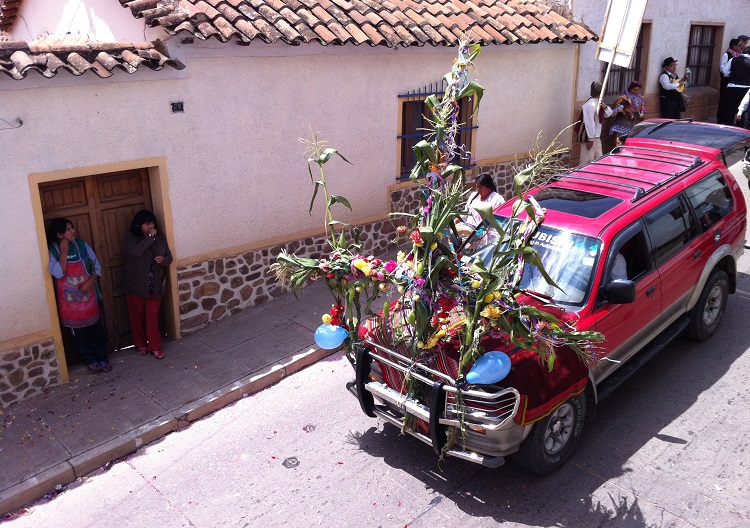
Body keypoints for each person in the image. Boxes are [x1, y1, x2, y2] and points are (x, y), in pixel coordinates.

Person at [47, 218, 111, 373]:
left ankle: (102, 358)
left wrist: (90, 282)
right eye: (68, 230)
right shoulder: (52, 251)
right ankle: (90, 360)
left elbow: (97, 267)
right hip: (70, 306)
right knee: (80, 336)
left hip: (89, 299)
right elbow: (58, 273)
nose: (73, 231)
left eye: (72, 228)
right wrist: (64, 251)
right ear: (59, 235)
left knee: (97, 332)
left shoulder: (82, 245)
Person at [124, 210, 173, 359]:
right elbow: (136, 252)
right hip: (136, 285)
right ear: (139, 225)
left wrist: (163, 260)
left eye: (151, 223)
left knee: (152, 316)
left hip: (155, 285)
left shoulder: (161, 237)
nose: (150, 226)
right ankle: (140, 345)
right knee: (136, 317)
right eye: (146, 224)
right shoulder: (131, 238)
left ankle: (155, 347)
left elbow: (169, 257)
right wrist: (150, 237)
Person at [456, 173, 504, 249]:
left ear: (489, 187)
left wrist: (480, 232)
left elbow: (499, 222)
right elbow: (466, 214)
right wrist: (455, 221)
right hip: (468, 237)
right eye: (477, 187)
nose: (478, 190)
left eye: (481, 187)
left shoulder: (497, 200)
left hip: (485, 240)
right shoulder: (473, 196)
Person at [580, 81, 615, 164]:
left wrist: (604, 106)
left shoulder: (599, 103)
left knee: (599, 162)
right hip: (590, 138)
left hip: (597, 138)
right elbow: (589, 123)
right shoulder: (590, 105)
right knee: (586, 163)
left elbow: (609, 113)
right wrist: (590, 140)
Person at [717, 39, 743, 124]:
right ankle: (721, 119)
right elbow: (723, 69)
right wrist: (732, 74)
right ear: (734, 46)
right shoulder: (727, 55)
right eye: (739, 45)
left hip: (735, 82)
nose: (741, 47)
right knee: (724, 100)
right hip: (727, 81)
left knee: (731, 102)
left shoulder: (740, 56)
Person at [726, 46, 750, 126]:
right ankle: (739, 126)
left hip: (732, 86)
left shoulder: (733, 59)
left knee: (730, 108)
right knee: (742, 108)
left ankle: (728, 125)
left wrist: (733, 76)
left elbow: (725, 72)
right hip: (745, 88)